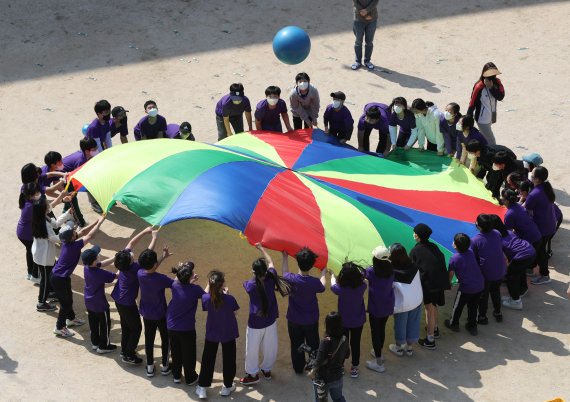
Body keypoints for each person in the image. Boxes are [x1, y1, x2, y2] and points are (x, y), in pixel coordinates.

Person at [240, 244, 291, 385]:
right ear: (265, 272)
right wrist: (262, 249)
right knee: (270, 347)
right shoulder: (271, 277)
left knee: (252, 349)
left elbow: (264, 269)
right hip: (270, 320)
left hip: (255, 323)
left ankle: (252, 374)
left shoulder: (250, 285)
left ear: (254, 272)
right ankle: (267, 369)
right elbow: (271, 263)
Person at [50, 216, 105, 337]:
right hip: (59, 279)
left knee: (68, 298)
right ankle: (59, 327)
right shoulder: (74, 246)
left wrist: (97, 221)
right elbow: (89, 236)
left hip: (60, 277)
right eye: (74, 232)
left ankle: (71, 319)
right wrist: (99, 224)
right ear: (72, 237)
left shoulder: (67, 242)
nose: (76, 231)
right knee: (66, 304)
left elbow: (84, 232)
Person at [111, 226, 157, 365]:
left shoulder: (122, 262)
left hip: (118, 300)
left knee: (126, 327)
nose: (131, 254)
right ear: (130, 261)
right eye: (131, 256)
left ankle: (125, 350)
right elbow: (148, 255)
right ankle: (129, 354)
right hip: (127, 303)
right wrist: (154, 237)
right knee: (136, 328)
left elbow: (131, 244)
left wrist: (144, 231)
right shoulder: (135, 269)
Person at [283, 247, 326, 374]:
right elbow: (322, 286)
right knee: (313, 344)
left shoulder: (291, 279)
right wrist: (323, 272)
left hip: (294, 319)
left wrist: (285, 257)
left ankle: (298, 368)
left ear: (297, 262)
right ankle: (314, 367)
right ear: (312, 265)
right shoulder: (314, 282)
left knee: (296, 344)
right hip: (310, 320)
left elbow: (284, 271)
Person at [196, 270, 239, 399]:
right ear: (222, 284)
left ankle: (202, 388)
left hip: (212, 333)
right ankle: (227, 386)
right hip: (228, 333)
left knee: (208, 359)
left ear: (211, 284)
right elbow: (235, 313)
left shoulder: (207, 298)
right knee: (229, 359)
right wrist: (227, 295)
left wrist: (210, 284)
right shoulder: (230, 298)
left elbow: (204, 294)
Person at [409, 223, 450, 350]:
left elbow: (411, 268)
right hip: (439, 282)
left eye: (414, 232)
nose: (413, 234)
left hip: (429, 284)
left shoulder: (416, 250)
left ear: (418, 235)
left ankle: (430, 339)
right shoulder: (434, 246)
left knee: (429, 309)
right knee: (434, 306)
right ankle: (435, 329)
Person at [31, 192, 72, 312]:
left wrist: (66, 214)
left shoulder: (44, 217)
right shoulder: (43, 222)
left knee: (49, 276)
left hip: (44, 255)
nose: (49, 205)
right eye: (47, 205)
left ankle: (49, 293)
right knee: (45, 279)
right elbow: (54, 238)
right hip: (43, 258)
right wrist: (68, 234)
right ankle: (41, 302)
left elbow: (55, 224)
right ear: (43, 209)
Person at [138, 246, 174, 377]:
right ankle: (165, 366)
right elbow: (175, 283)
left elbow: (150, 269)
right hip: (161, 314)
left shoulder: (140, 273)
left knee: (149, 339)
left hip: (146, 314)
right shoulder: (161, 278)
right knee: (165, 338)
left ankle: (150, 368)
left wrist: (163, 257)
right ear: (154, 264)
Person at [168, 261, 205, 385]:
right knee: (189, 354)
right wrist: (209, 284)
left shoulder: (174, 285)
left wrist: (183, 271)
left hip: (172, 327)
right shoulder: (195, 289)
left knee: (176, 352)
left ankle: (176, 376)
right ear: (189, 277)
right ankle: (190, 378)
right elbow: (205, 297)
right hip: (187, 329)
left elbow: (180, 282)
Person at [489, 215, 535, 310]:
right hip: (530, 250)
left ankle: (515, 301)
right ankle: (522, 289)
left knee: (511, 276)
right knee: (520, 271)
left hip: (522, 256)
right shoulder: (508, 232)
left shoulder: (497, 238)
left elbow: (502, 258)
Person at [330, 262, 366, 378]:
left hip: (343, 322)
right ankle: (355, 367)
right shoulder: (362, 286)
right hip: (358, 321)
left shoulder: (340, 289)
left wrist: (332, 275)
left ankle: (340, 365)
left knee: (342, 344)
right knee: (356, 343)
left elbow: (332, 285)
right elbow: (363, 277)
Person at [444, 234, 485, 335]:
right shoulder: (471, 252)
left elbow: (450, 274)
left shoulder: (454, 258)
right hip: (479, 285)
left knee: (458, 306)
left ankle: (453, 323)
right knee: (474, 306)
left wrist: (448, 284)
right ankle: (472, 326)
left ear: (455, 245)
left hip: (466, 288)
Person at [471, 214, 507, 324]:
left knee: (483, 295)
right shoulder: (497, 233)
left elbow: (473, 258)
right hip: (500, 270)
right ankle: (498, 312)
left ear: (480, 226)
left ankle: (482, 316)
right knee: (495, 291)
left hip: (486, 273)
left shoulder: (475, 240)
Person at [524, 166, 557, 285]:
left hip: (543, 228)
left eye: (532, 175)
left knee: (540, 252)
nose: (530, 176)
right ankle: (532, 268)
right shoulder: (545, 187)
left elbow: (526, 210)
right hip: (549, 225)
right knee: (537, 249)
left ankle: (545, 275)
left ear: (537, 179)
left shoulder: (534, 194)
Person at [389, 243, 423, 357]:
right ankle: (409, 348)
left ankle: (398, 348)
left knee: (400, 325)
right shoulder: (414, 266)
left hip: (402, 304)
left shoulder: (392, 271)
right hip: (416, 300)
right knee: (413, 323)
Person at [365, 246, 394, 373]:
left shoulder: (371, 271)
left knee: (375, 331)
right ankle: (379, 352)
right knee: (381, 328)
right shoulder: (391, 270)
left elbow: (362, 274)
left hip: (375, 306)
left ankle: (379, 362)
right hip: (387, 305)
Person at [83, 245, 117, 353]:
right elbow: (116, 276)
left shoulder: (87, 267)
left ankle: (95, 343)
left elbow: (101, 264)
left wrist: (114, 258)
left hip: (89, 302)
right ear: (94, 260)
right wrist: (122, 265)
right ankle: (104, 346)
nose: (99, 255)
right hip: (100, 304)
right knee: (105, 324)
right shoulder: (99, 273)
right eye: (97, 255)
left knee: (93, 323)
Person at [309, 312, 350, 402]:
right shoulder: (344, 339)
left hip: (323, 379)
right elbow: (347, 355)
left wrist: (311, 370)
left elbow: (318, 362)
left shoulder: (326, 341)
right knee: (338, 398)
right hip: (338, 376)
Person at [467, 62, 505, 145]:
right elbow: (472, 103)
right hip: (482, 119)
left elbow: (500, 97)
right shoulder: (479, 86)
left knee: (485, 137)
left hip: (492, 115)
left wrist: (491, 87)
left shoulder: (497, 83)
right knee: (491, 140)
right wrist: (468, 119)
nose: (493, 77)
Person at [62, 137, 100, 220]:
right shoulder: (80, 161)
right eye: (94, 149)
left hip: (71, 175)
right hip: (63, 178)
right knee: (72, 196)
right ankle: (93, 205)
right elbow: (79, 178)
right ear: (87, 151)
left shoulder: (87, 155)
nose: (97, 150)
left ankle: (66, 210)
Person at [17, 183, 41, 282]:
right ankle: (34, 275)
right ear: (31, 195)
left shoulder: (26, 201)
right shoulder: (31, 206)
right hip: (27, 235)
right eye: (37, 192)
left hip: (22, 233)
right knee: (36, 253)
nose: (39, 194)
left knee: (30, 251)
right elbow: (45, 211)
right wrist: (61, 198)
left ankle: (30, 272)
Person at [351, 0, 379, 70]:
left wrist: (367, 10)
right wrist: (362, 10)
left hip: (372, 18)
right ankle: (358, 61)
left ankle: (367, 61)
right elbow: (355, 1)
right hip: (358, 18)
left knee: (369, 42)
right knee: (358, 42)